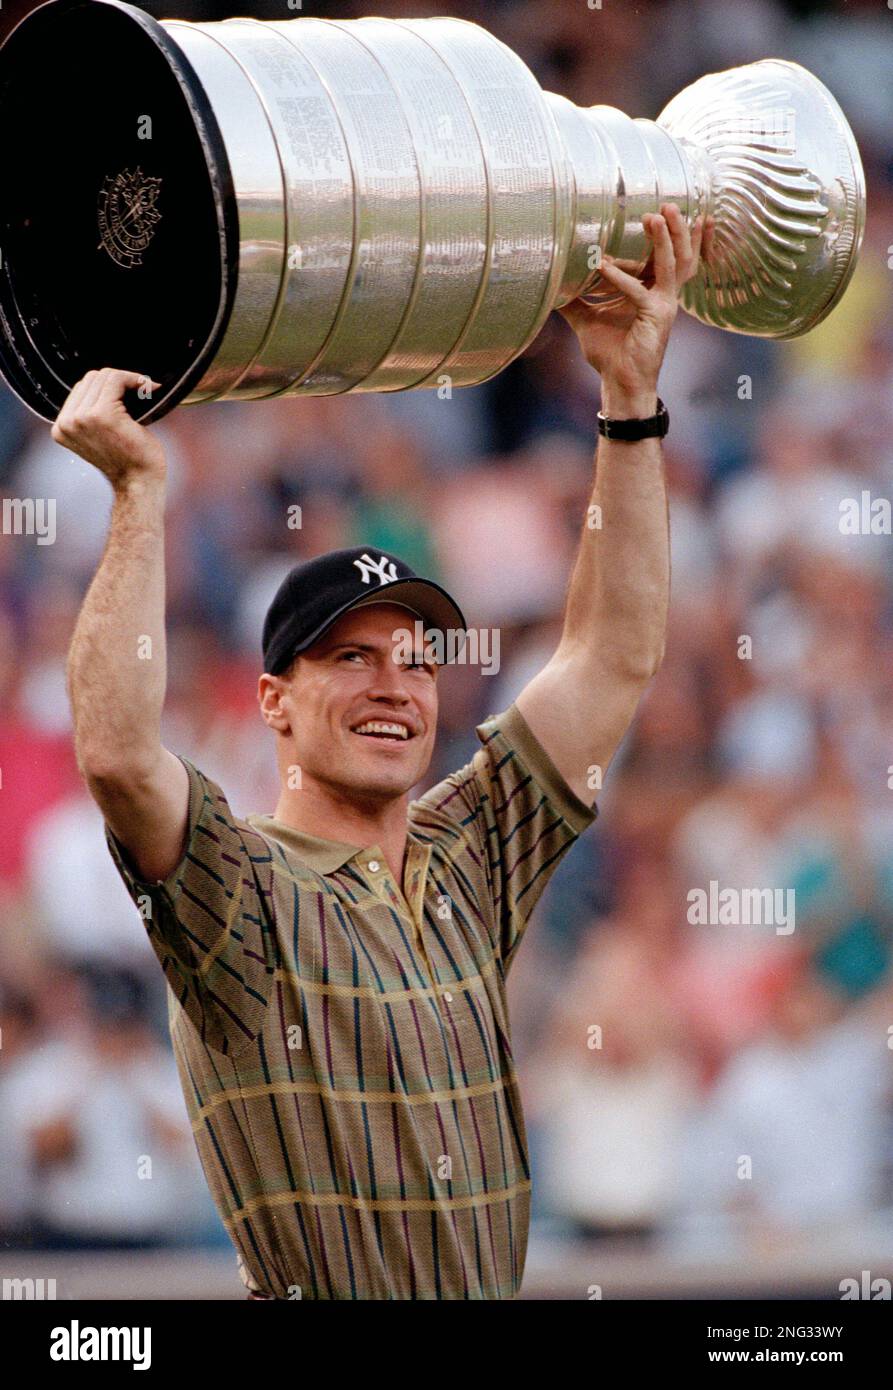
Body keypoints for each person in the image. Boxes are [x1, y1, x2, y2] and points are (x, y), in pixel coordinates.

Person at [53, 204, 710, 1299]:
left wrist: (629, 398)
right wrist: (137, 494)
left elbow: (611, 653)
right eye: (348, 659)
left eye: (414, 659)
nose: (392, 685)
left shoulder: (466, 854)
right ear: (274, 699)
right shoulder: (240, 889)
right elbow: (120, 754)